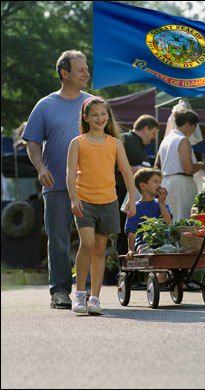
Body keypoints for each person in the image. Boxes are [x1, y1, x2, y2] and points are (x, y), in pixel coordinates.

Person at [22, 50, 92, 309]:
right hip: (57, 186)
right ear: (65, 73)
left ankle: (87, 292)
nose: (86, 73)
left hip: (90, 185)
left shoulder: (93, 104)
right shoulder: (45, 105)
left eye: (86, 68)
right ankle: (60, 291)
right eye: (80, 69)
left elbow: (110, 140)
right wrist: (40, 168)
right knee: (59, 240)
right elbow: (32, 141)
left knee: (93, 240)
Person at [66, 96, 136, 315]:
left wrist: (132, 199)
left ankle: (95, 298)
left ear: (108, 116)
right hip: (84, 201)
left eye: (103, 114)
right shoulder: (77, 142)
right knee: (86, 244)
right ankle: (79, 294)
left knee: (99, 250)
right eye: (94, 115)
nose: (99, 118)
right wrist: (73, 198)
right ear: (86, 117)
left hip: (108, 202)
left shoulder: (115, 143)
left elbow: (126, 172)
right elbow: (69, 174)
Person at [115, 115, 160, 255]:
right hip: (122, 193)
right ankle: (124, 270)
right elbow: (116, 164)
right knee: (125, 232)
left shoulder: (137, 144)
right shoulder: (125, 139)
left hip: (132, 195)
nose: (152, 139)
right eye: (153, 133)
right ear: (145, 129)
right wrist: (138, 169)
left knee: (132, 232)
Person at [156, 109, 204, 222]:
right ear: (188, 124)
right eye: (194, 127)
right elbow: (188, 169)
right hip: (181, 185)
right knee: (182, 220)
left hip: (166, 182)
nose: (193, 131)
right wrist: (200, 165)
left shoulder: (165, 140)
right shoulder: (183, 140)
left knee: (170, 221)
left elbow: (157, 165)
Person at [125, 168, 172, 256]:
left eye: (160, 182)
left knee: (174, 249)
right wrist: (130, 250)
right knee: (148, 252)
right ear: (143, 186)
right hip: (144, 245)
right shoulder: (135, 208)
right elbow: (131, 232)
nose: (159, 185)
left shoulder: (162, 204)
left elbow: (168, 222)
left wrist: (161, 202)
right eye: (155, 182)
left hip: (163, 244)